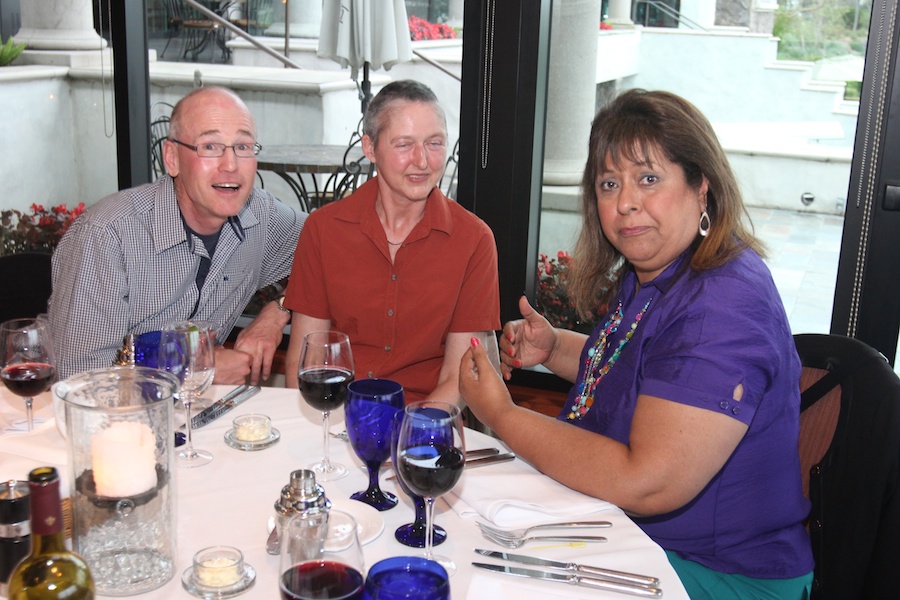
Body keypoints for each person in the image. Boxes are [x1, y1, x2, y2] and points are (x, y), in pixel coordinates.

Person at [459, 89, 814, 599]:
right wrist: (555, 346)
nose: (625, 202)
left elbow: (647, 480)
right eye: (609, 183)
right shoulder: (657, 270)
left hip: (718, 573)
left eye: (648, 179)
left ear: (702, 188)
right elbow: (645, 368)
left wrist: (503, 413)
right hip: (632, 536)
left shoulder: (724, 302)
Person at [50, 86, 305, 385]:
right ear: (171, 158)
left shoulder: (262, 216)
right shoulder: (106, 236)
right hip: (118, 426)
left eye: (243, 146)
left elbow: (334, 245)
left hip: (202, 419)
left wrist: (278, 311)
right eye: (210, 146)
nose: (231, 165)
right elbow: (78, 380)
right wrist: (191, 373)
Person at [283, 80, 500, 404]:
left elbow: (457, 378)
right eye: (404, 145)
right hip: (337, 414)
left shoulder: (473, 240)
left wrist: (407, 436)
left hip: (424, 424)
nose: (422, 160)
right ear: (369, 148)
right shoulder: (323, 230)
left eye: (435, 143)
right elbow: (307, 362)